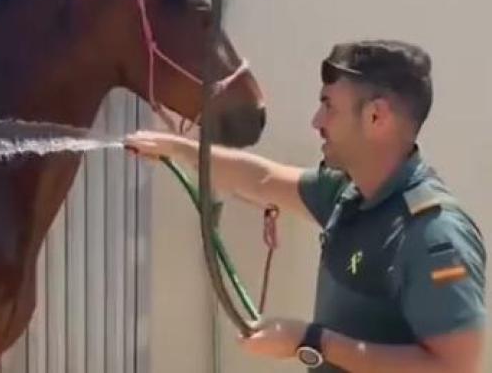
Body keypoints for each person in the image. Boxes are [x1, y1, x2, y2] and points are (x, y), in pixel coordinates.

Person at [124, 39, 486, 372]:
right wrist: (178, 150)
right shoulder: (348, 194)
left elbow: (454, 368)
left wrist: (312, 341)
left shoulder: (432, 234)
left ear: (376, 117)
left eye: (329, 107)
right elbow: (263, 178)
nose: (316, 121)